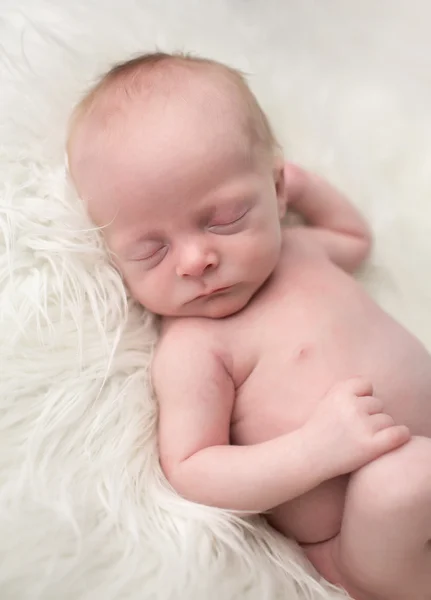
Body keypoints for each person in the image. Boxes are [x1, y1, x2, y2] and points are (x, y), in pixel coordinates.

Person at [66, 52, 431, 600]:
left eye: (226, 218)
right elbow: (193, 469)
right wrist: (316, 449)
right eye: (151, 250)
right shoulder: (195, 347)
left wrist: (304, 191)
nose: (194, 260)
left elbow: (356, 239)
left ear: (275, 192)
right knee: (404, 478)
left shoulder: (302, 250)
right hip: (358, 539)